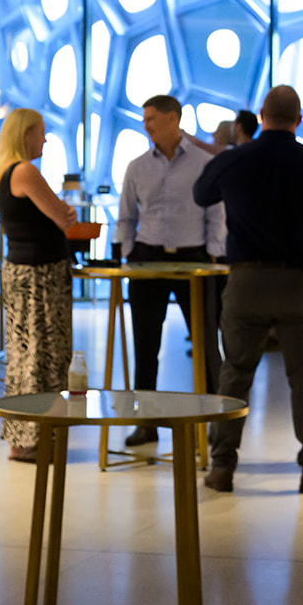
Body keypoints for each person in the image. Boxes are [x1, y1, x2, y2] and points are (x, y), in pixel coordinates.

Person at [192, 85, 303, 494]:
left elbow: (201, 195)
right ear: (299, 120)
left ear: (261, 117)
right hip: (300, 283)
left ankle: (222, 467)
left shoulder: (234, 160)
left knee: (235, 373)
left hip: (245, 282)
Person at [116, 94, 226, 446]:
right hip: (147, 257)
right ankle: (145, 423)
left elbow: (217, 212)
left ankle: (215, 422)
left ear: (172, 119)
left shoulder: (203, 163)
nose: (145, 125)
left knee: (206, 343)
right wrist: (129, 253)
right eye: (144, 119)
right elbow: (126, 216)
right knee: (145, 343)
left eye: (151, 118)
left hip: (195, 257)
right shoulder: (137, 166)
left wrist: (213, 253)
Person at [0, 108, 77, 462]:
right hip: (40, 277)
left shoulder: (2, 172)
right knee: (43, 356)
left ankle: (25, 437)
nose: (44, 139)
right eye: (40, 132)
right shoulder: (25, 171)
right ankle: (33, 438)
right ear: (24, 134)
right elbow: (64, 217)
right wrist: (67, 212)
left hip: (21, 272)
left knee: (24, 356)